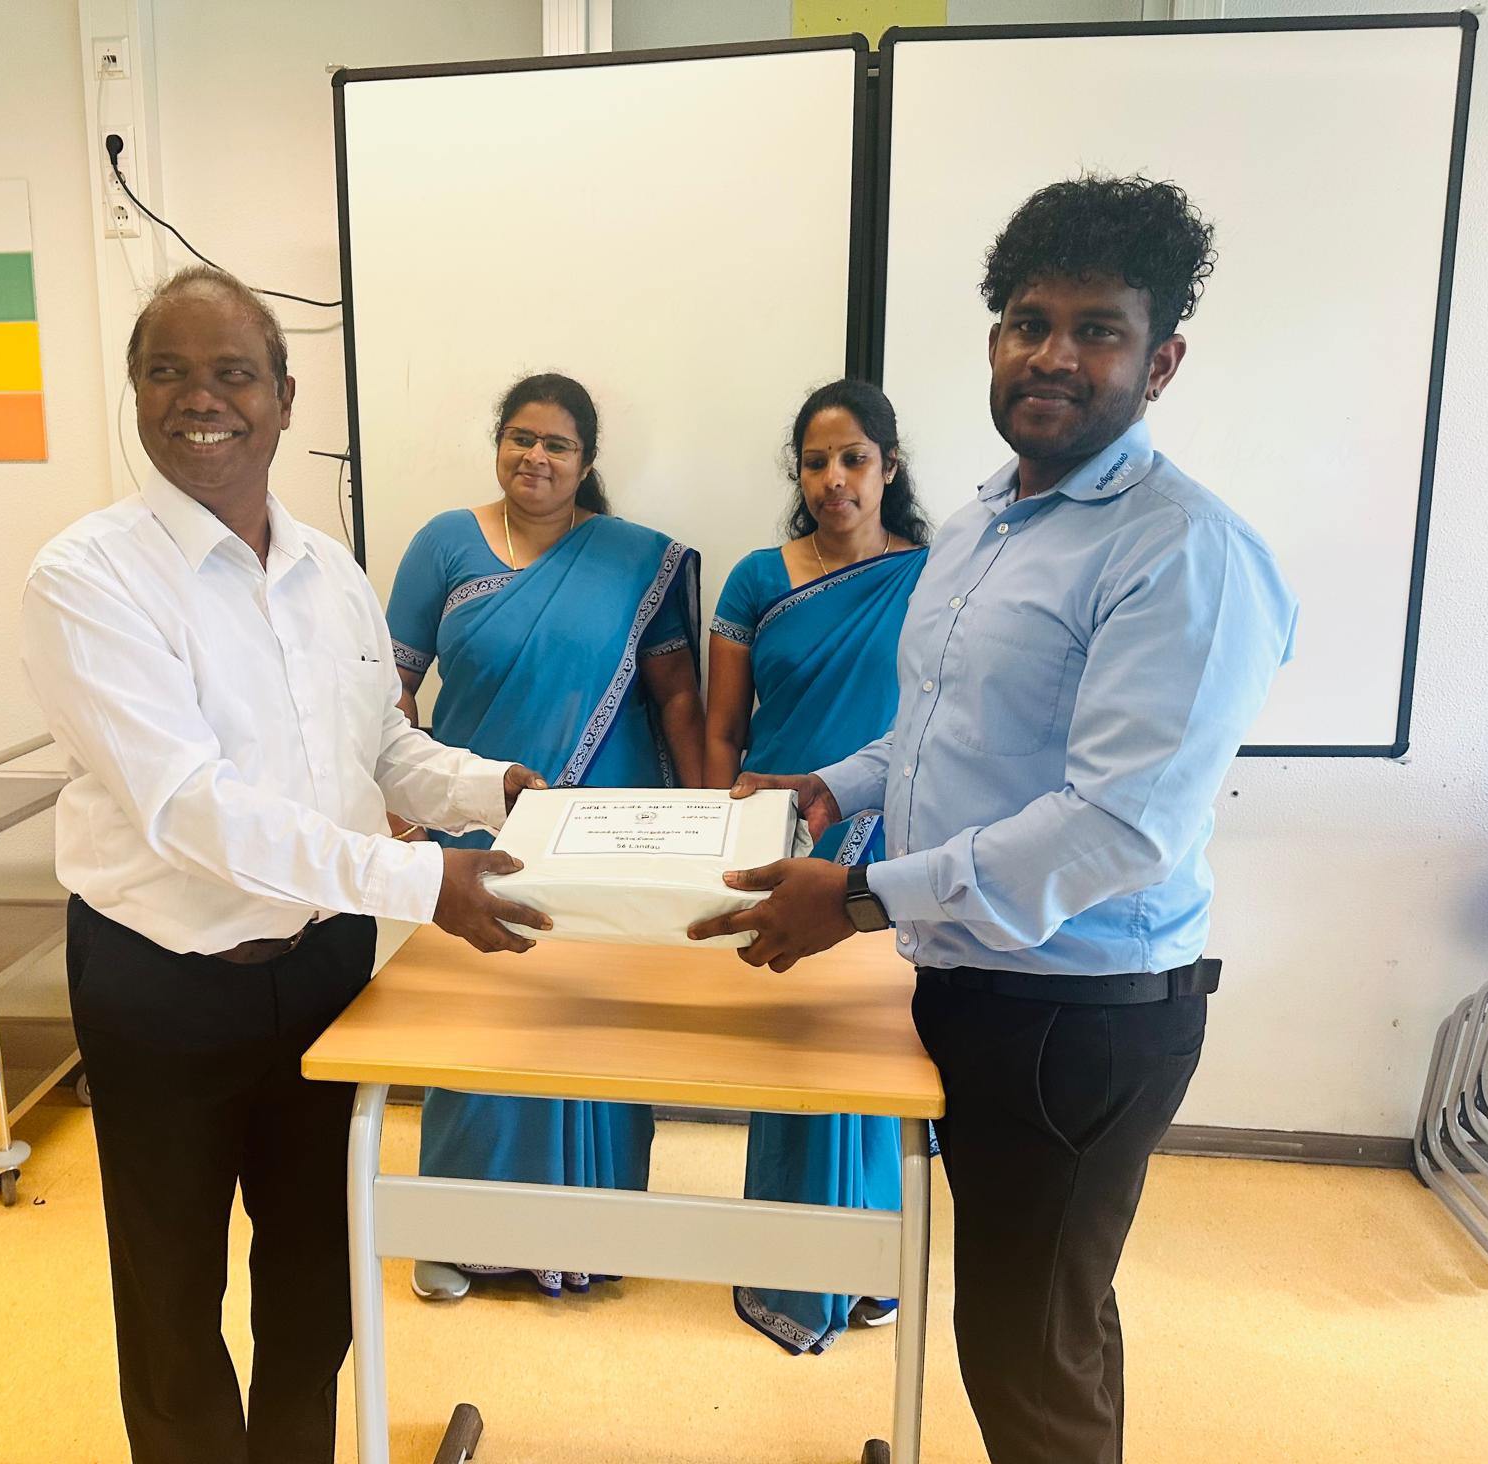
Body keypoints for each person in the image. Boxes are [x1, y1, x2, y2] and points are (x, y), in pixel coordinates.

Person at [690, 176, 1299, 1462]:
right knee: (1044, 1320)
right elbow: (935, 727)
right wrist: (828, 789)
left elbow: (1116, 826)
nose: (1054, 356)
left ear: (1161, 361)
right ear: (992, 340)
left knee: (1027, 1350)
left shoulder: (1182, 552)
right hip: (974, 978)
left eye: (1098, 330)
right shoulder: (977, 530)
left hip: (1078, 1012)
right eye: (1030, 323)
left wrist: (860, 897)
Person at [19, 266, 548, 1464]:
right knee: (172, 1295)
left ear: (285, 398)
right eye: (167, 372)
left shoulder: (329, 572)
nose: (199, 399)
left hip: (324, 977)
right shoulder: (87, 579)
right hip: (164, 981)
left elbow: (379, 748)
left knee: (316, 1276)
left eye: (232, 373)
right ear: (136, 392)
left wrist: (493, 792)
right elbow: (190, 809)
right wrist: (424, 885)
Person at [387, 371, 704, 1301]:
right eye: (521, 438)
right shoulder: (444, 543)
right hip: (478, 823)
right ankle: (459, 1233)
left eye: (557, 444)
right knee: (481, 1028)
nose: (536, 457)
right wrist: (401, 815)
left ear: (586, 460)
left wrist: (705, 816)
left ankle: (593, 1230)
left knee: (599, 1025)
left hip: (605, 831)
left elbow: (676, 697)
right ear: (499, 444)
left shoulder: (632, 560)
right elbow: (392, 687)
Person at [704, 378, 930, 1353]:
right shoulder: (757, 578)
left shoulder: (935, 574)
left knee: (874, 1047)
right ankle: (791, 1267)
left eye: (853, 459)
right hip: (784, 837)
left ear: (888, 467)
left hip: (892, 841)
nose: (834, 478)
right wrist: (720, 836)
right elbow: (721, 728)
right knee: (794, 1048)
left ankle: (876, 1265)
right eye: (815, 461)